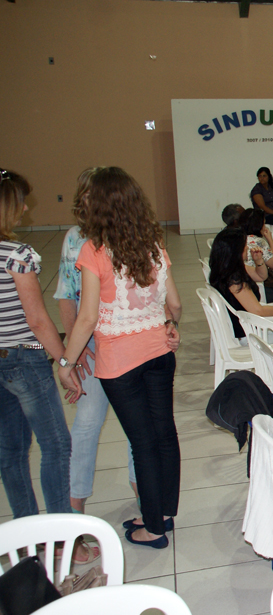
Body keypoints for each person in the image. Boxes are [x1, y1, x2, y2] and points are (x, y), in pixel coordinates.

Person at [59, 167, 183, 549]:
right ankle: (164, 512)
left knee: (142, 442)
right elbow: (175, 305)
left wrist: (66, 362)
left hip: (119, 362)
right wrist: (166, 323)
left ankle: (153, 528)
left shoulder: (93, 251)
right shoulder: (153, 245)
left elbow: (87, 317)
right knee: (164, 433)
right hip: (159, 354)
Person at [56, 168, 137, 515]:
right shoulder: (75, 239)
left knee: (137, 426)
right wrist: (74, 352)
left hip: (129, 345)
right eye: (88, 195)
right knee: (87, 422)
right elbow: (66, 297)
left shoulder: (130, 234)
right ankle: (74, 505)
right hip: (89, 347)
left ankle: (143, 493)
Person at [0, 169, 78, 523]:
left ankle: (27, 532)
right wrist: (65, 362)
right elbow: (37, 320)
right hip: (24, 361)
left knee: (11, 452)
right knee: (56, 446)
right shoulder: (18, 255)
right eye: (20, 202)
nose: (24, 208)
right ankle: (61, 537)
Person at [210, 228, 273, 340]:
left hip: (246, 323)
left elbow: (261, 276)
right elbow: (258, 311)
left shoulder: (224, 268)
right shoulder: (234, 279)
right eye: (244, 245)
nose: (247, 247)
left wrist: (259, 261)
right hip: (250, 331)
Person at [241, 208, 273, 300]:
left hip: (243, 282)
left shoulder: (239, 238)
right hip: (256, 284)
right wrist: (270, 239)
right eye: (263, 224)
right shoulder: (259, 241)